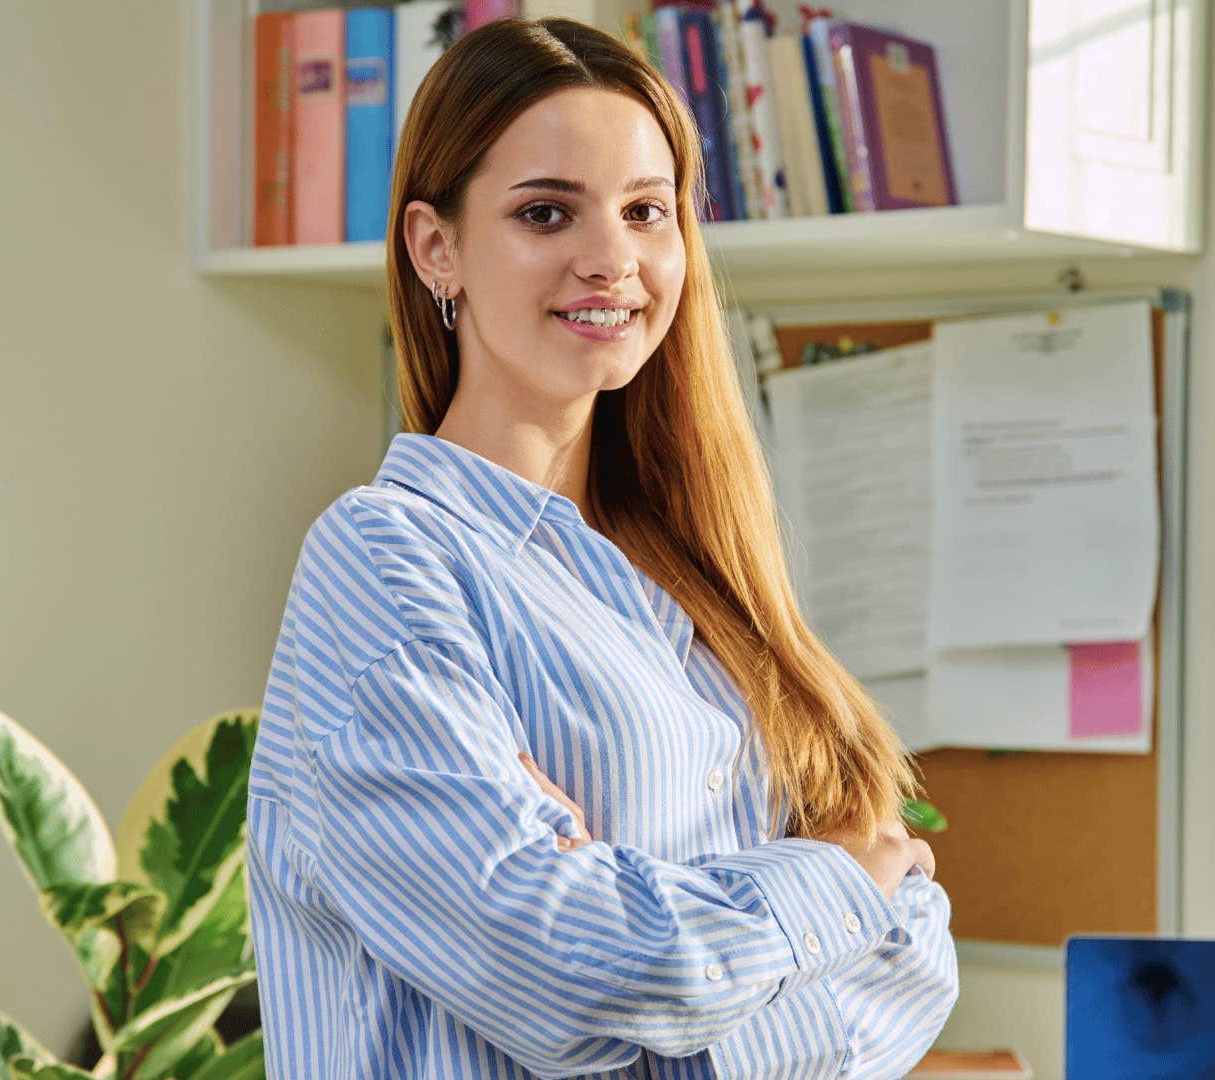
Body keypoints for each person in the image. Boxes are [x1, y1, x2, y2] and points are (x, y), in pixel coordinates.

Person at [243, 15, 957, 1078]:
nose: (612, 260)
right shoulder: (386, 562)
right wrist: (829, 886)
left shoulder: (700, 575)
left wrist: (645, 921)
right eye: (546, 212)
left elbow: (918, 960)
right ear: (437, 248)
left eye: (645, 212)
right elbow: (578, 978)